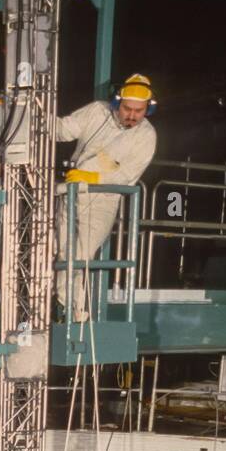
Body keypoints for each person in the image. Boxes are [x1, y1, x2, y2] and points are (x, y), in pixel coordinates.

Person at [55, 73, 158, 319]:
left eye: (139, 111)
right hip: (70, 192)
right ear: (115, 102)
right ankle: (63, 305)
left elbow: (128, 175)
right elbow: (61, 129)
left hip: (104, 199)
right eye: (127, 109)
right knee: (61, 250)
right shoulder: (96, 112)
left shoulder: (146, 136)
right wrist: (25, 115)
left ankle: (72, 310)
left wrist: (94, 178)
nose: (132, 116)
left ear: (148, 109)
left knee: (80, 254)